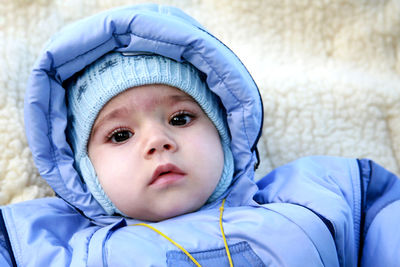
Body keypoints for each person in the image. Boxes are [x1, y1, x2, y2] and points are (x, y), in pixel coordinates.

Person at [0, 3, 399, 266]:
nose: (157, 141)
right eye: (120, 135)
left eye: (180, 119)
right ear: (81, 169)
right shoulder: (47, 243)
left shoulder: (308, 197)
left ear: (225, 131)